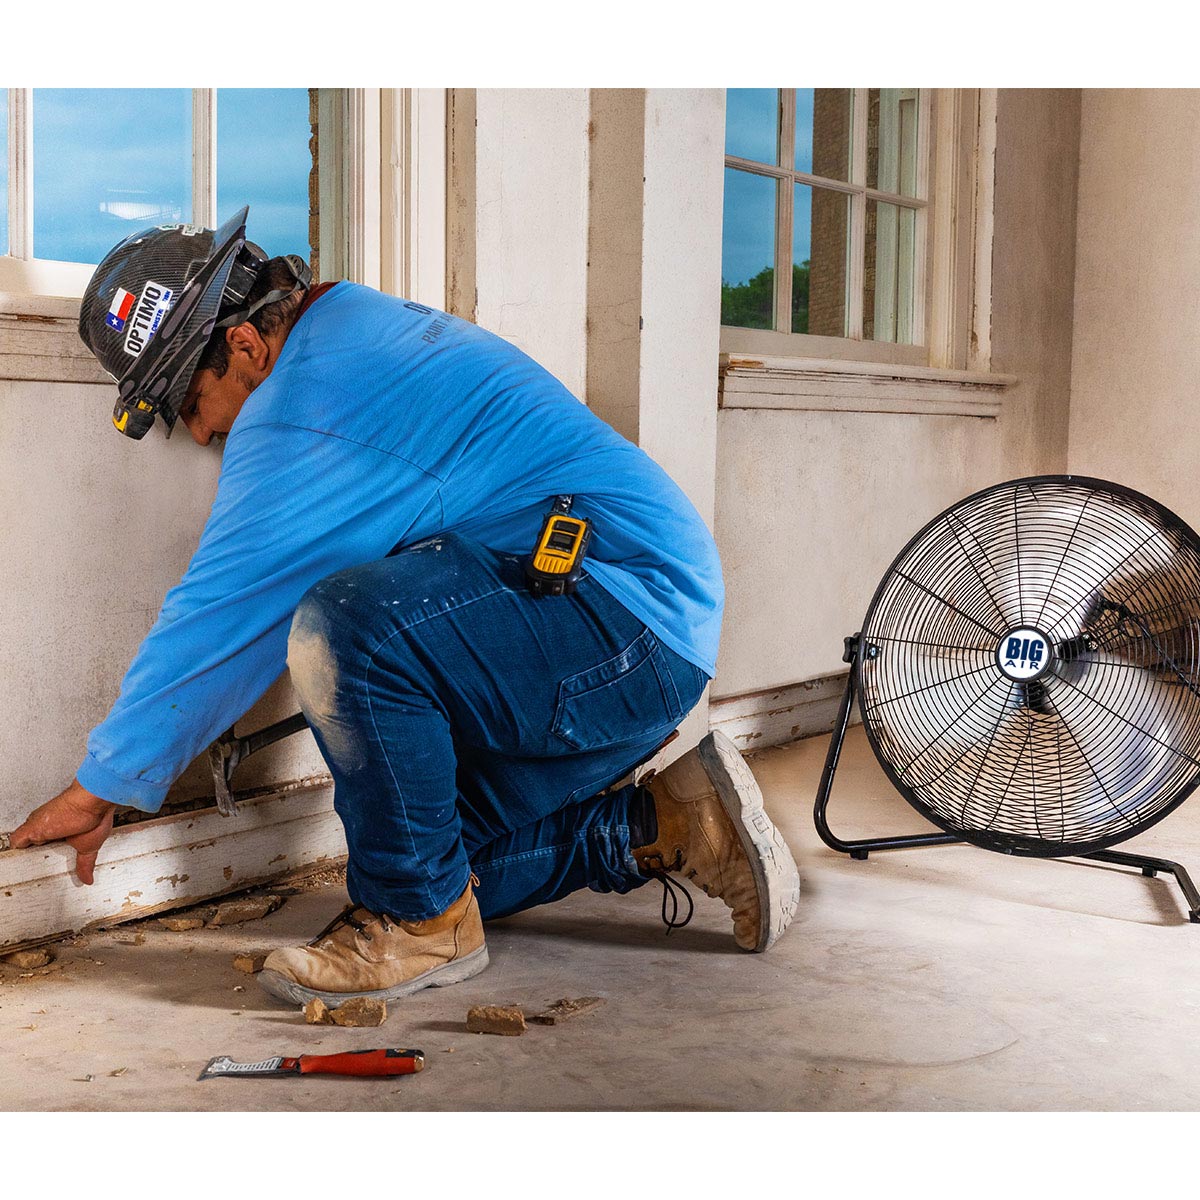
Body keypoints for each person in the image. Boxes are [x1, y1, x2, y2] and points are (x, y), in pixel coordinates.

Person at [10, 207, 799, 1006]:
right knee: (425, 858)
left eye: (187, 401)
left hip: (623, 624)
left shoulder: (304, 403)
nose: (195, 430)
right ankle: (663, 826)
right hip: (631, 640)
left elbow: (219, 614)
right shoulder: (346, 321)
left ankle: (418, 928)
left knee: (343, 628)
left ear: (244, 347)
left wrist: (96, 788)